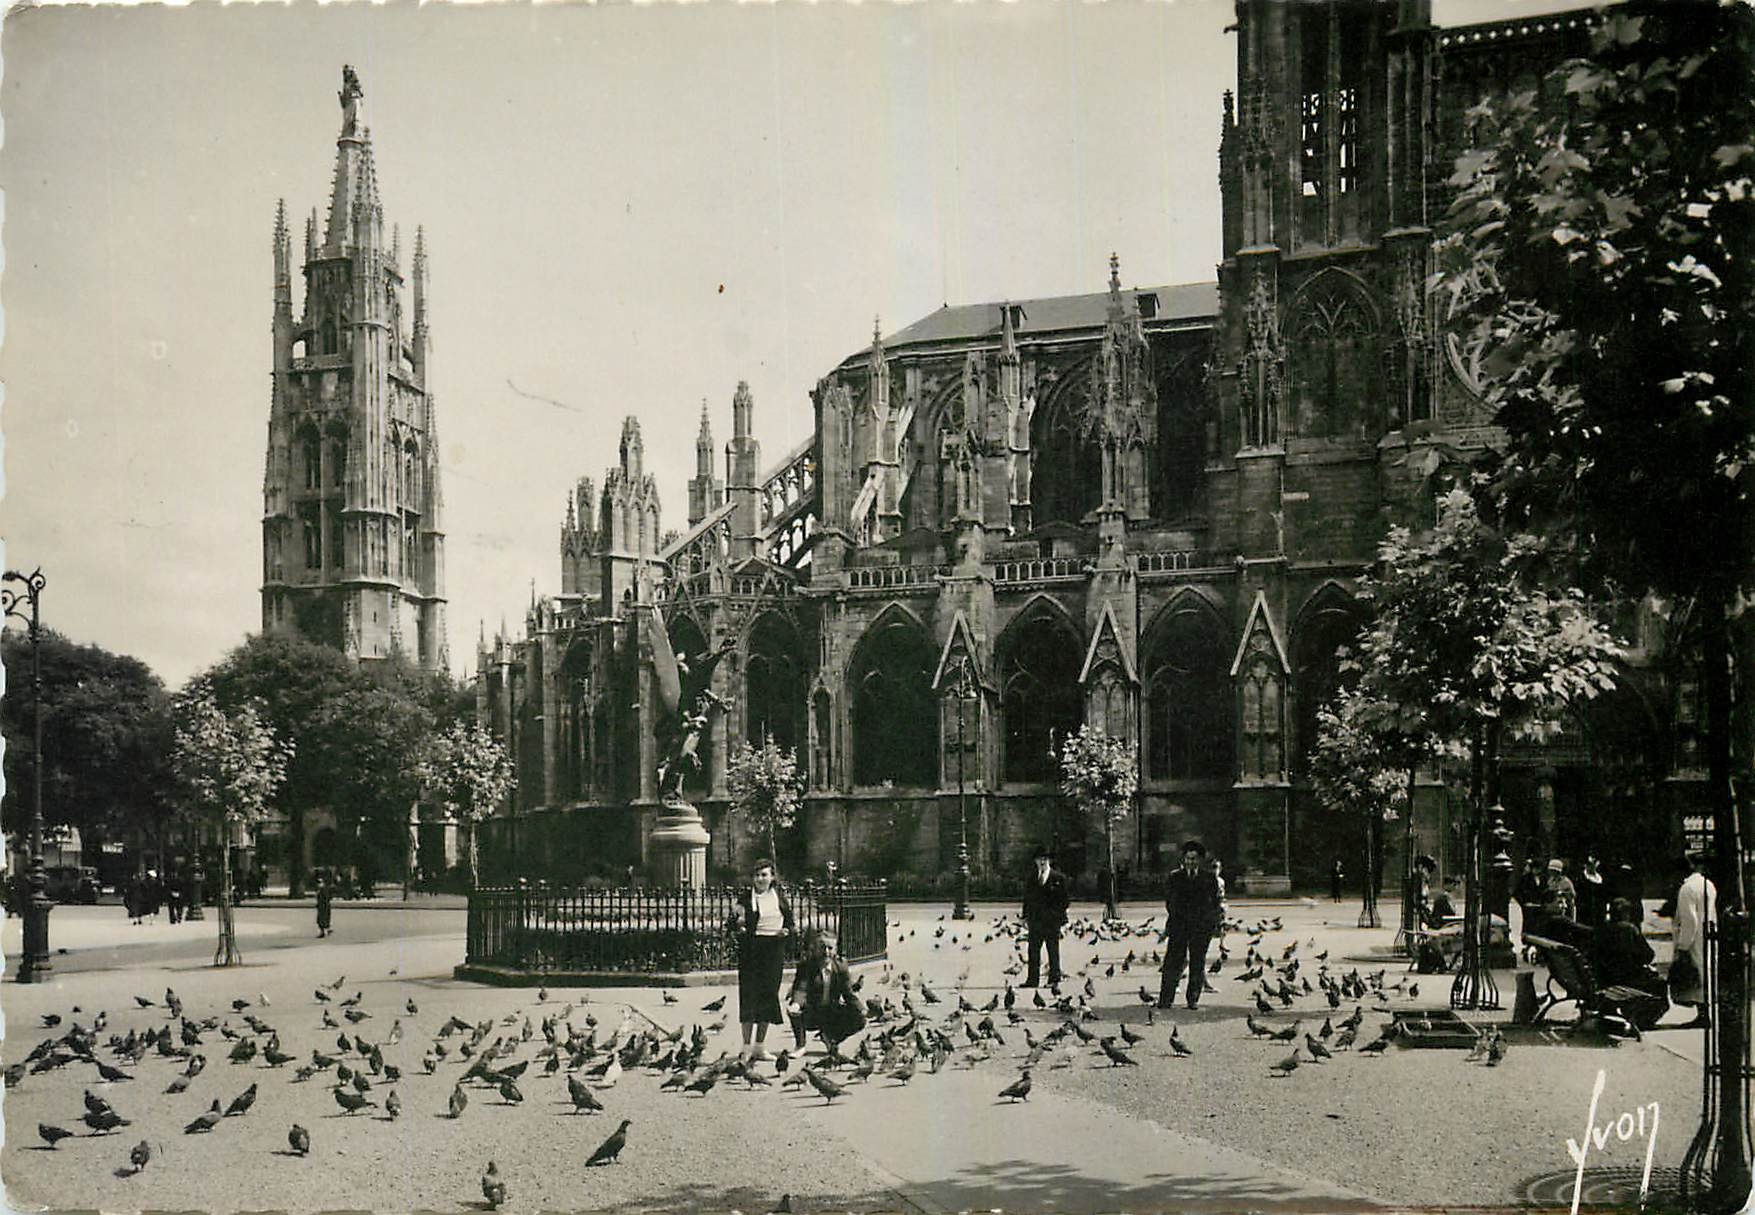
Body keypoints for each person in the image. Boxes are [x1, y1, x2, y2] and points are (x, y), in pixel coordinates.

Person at [728, 857, 792, 1061]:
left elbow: (791, 922)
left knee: (768, 997)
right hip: (752, 952)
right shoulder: (745, 898)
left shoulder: (779, 896)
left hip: (774, 951)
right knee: (749, 998)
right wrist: (740, 926)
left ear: (772, 877)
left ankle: (760, 1047)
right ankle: (746, 1048)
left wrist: (786, 931)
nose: (760, 879)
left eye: (764, 874)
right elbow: (730, 923)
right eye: (757, 875)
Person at [1160, 840, 1223, 1010]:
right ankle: (1166, 999)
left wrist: (1209, 922)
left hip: (1200, 927)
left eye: (1194, 859)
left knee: (1197, 962)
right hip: (1179, 925)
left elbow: (1214, 903)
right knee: (1173, 961)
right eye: (1188, 858)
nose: (1190, 862)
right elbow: (1170, 901)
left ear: (1200, 860)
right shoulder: (1175, 877)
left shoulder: (1209, 878)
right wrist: (1177, 916)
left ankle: (1192, 999)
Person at [1591, 897, 1668, 1031]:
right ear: (1626, 913)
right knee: (1659, 983)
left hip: (1604, 980)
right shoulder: (1630, 929)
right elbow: (1648, 955)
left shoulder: (1602, 929)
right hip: (1626, 980)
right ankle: (1643, 1020)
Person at [786, 929, 866, 1054]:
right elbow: (801, 988)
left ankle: (831, 1039)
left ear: (835, 949)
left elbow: (848, 993)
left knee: (860, 1018)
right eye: (822, 947)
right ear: (815, 948)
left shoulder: (841, 966)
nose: (826, 952)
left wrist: (861, 1009)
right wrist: (796, 1004)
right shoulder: (806, 966)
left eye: (830, 948)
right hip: (811, 1012)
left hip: (831, 1012)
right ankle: (800, 1045)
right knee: (793, 1008)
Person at [1671, 851, 1716, 1027]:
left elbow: (1690, 920)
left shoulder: (1687, 889)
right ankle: (1705, 1013)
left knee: (1696, 974)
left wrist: (1683, 946)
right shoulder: (1708, 885)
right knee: (1705, 973)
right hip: (1708, 934)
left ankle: (1702, 1014)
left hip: (1694, 938)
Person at [1021, 848, 1069, 989]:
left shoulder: (1058, 878)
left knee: (1053, 950)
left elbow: (1064, 901)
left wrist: (1056, 916)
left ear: (1049, 861)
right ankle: (1032, 979)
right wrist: (1025, 916)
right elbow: (1027, 899)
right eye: (1039, 859)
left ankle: (1054, 978)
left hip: (1051, 922)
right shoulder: (1032, 878)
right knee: (1033, 951)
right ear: (1035, 861)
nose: (1042, 862)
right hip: (1035, 921)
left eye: (1045, 859)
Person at [1515, 855, 1548, 947]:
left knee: (1539, 924)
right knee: (1528, 924)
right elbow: (1518, 893)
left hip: (1539, 906)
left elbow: (1545, 891)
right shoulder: (1525, 879)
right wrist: (1524, 903)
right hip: (1528, 906)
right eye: (1536, 869)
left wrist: (1542, 902)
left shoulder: (1543, 879)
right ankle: (1527, 941)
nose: (1538, 871)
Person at [1577, 854, 1607, 927]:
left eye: (1594, 863)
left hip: (1598, 911)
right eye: (1589, 864)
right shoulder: (1581, 878)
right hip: (1585, 910)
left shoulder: (1601, 878)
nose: (1591, 866)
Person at [315, 870, 333, 938]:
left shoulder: (323, 890)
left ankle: (323, 932)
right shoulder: (322, 889)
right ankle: (327, 930)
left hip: (323, 906)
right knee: (324, 919)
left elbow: (325, 898)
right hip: (324, 906)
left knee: (322, 920)